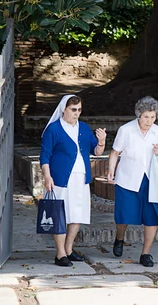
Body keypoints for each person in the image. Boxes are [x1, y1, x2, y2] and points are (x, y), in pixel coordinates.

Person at [40, 94, 106, 267]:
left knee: (77, 213)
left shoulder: (84, 128)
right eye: (73, 110)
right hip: (60, 179)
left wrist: (101, 141)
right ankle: (60, 253)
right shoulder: (53, 129)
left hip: (81, 179)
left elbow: (96, 152)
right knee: (60, 215)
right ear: (64, 109)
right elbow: (45, 156)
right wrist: (47, 176)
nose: (77, 113)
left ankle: (69, 249)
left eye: (79, 110)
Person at [107, 96, 158, 267]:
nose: (149, 121)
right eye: (146, 117)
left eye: (152, 116)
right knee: (123, 214)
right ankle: (119, 239)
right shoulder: (126, 130)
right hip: (127, 178)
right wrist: (111, 171)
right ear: (138, 115)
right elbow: (115, 152)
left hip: (152, 180)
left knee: (152, 216)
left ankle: (146, 253)